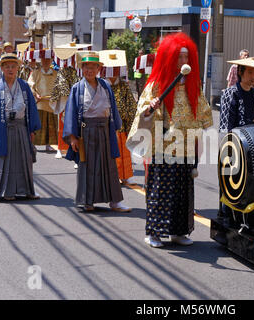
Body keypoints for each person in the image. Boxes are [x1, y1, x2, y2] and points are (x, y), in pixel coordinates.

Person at [127, 32, 213, 248]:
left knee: (183, 192)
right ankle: (154, 232)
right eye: (179, 57)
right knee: (160, 189)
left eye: (186, 58)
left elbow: (203, 110)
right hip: (163, 145)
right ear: (170, 58)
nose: (184, 62)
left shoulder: (193, 84)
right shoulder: (158, 83)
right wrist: (150, 107)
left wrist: (203, 132)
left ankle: (179, 231)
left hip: (186, 146)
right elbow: (143, 111)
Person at [63, 52, 131, 213]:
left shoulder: (105, 86)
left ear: (99, 69)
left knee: (109, 166)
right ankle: (88, 201)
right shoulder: (77, 88)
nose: (90, 70)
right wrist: (72, 137)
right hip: (86, 132)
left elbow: (113, 110)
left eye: (93, 67)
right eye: (87, 67)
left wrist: (114, 129)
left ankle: (115, 202)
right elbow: (71, 112)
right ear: (82, 69)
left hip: (105, 130)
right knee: (87, 166)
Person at [0, 53, 41, 201]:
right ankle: (5, 191)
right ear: (2, 69)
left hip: (21, 128)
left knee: (24, 159)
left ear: (18, 68)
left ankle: (26, 190)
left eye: (13, 66)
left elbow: (31, 108)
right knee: (4, 160)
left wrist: (32, 129)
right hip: (2, 128)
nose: (10, 69)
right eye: (7, 67)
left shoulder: (24, 86)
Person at [106, 53, 138, 185]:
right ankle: (109, 176)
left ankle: (125, 175)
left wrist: (130, 121)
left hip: (121, 125)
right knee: (107, 153)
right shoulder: (101, 84)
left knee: (123, 151)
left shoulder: (124, 85)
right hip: (105, 124)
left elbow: (131, 104)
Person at [219, 53, 254, 133]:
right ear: (240, 72)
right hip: (236, 139)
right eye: (250, 72)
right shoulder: (230, 93)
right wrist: (253, 121)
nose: (253, 76)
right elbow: (226, 126)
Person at [28, 56, 58, 152]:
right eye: (44, 60)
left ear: (51, 61)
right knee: (38, 124)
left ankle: (49, 144)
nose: (46, 62)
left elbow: (59, 86)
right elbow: (30, 84)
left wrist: (55, 95)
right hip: (39, 102)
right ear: (41, 61)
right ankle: (33, 143)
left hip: (51, 102)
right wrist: (35, 94)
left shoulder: (55, 73)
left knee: (50, 125)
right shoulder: (36, 72)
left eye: (48, 60)